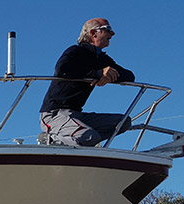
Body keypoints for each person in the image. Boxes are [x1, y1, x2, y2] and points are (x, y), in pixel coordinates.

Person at [39, 18, 134, 146]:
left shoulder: (101, 58)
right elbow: (63, 69)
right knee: (89, 136)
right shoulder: (75, 51)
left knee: (124, 122)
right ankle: (52, 139)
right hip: (54, 114)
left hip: (77, 114)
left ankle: (80, 140)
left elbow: (129, 76)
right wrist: (98, 74)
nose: (112, 34)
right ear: (93, 33)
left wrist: (108, 76)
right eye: (108, 29)